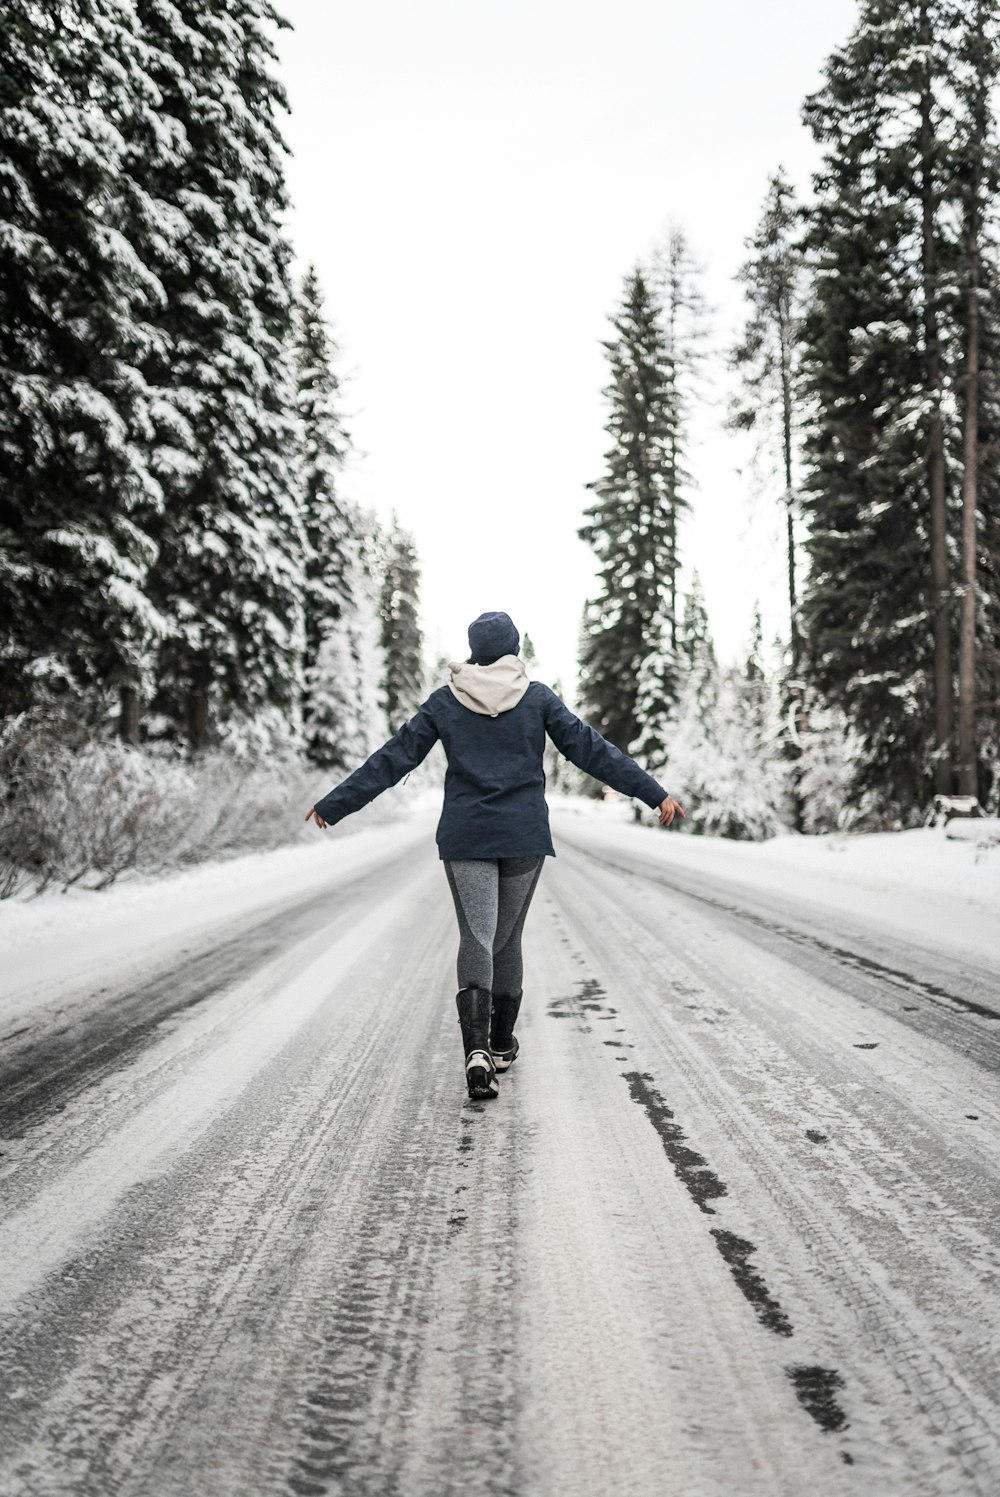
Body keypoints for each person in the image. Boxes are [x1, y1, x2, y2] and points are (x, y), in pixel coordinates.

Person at [306, 611, 685, 1101]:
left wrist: (335, 804)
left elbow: (393, 757)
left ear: (473, 652)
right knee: (505, 941)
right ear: (513, 651)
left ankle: (480, 1050)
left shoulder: (445, 702)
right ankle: (500, 1044)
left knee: (477, 936)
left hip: (467, 835)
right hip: (523, 835)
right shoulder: (537, 698)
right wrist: (652, 793)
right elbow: (593, 751)